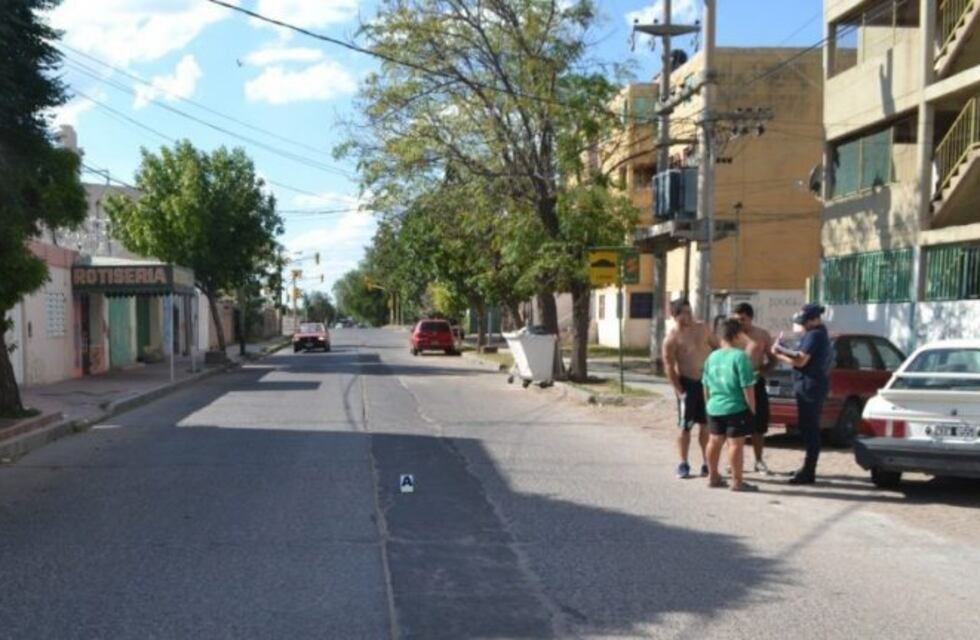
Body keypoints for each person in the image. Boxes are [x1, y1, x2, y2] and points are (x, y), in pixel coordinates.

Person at [771, 303, 832, 485]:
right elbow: (799, 355)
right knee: (807, 428)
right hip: (809, 385)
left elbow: (801, 361)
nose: (803, 325)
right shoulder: (815, 334)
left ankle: (809, 471)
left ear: (814, 320)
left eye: (806, 321)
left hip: (810, 386)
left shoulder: (815, 335)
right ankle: (807, 468)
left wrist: (778, 354)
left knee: (810, 429)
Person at [662, 298, 719, 479]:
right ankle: (683, 463)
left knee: (706, 425)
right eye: (683, 313)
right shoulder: (671, 338)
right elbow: (669, 367)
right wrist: (679, 390)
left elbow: (717, 347)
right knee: (685, 427)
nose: (688, 316)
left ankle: (706, 463)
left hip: (707, 383)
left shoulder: (702, 328)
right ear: (674, 315)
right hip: (687, 383)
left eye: (689, 311)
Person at [702, 318, 758, 492]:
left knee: (714, 441)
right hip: (735, 407)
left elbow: (705, 385)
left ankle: (713, 476)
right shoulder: (740, 357)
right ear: (736, 335)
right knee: (735, 444)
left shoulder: (712, 356)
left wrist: (708, 405)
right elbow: (747, 386)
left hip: (714, 406)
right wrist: (752, 409)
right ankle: (737, 481)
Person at [733, 303, 775, 474]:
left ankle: (758, 460)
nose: (740, 323)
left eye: (742, 319)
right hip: (734, 386)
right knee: (735, 426)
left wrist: (763, 370)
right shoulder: (732, 335)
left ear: (750, 318)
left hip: (756, 383)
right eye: (736, 320)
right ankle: (734, 461)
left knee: (759, 425)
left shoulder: (762, 335)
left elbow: (773, 359)